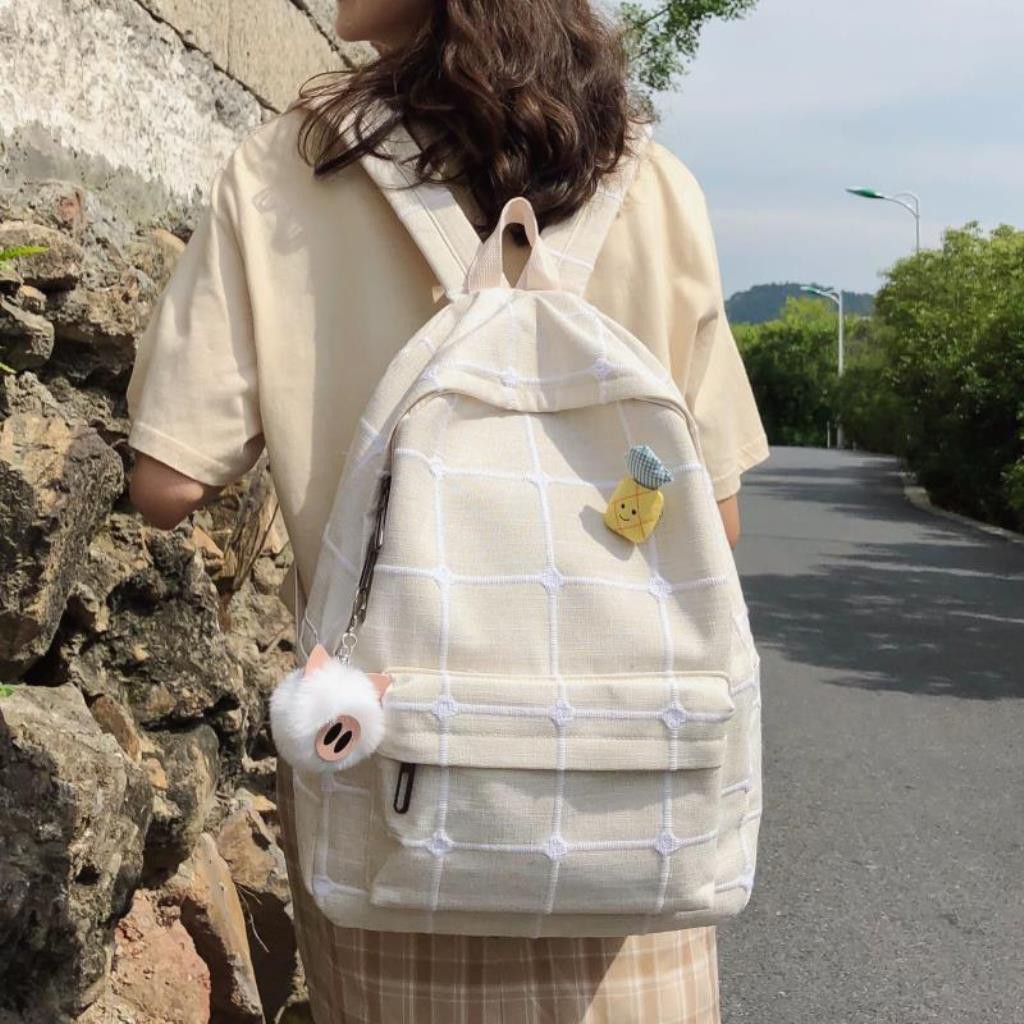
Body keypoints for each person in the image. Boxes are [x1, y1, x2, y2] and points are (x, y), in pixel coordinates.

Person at [126, 1, 771, 1020]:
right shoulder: (653, 182)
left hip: (398, 795)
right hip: (627, 807)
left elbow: (167, 485)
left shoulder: (291, 169)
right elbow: (716, 524)